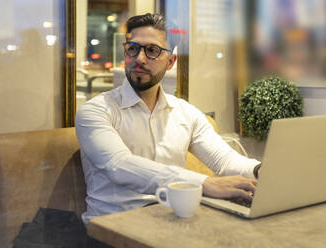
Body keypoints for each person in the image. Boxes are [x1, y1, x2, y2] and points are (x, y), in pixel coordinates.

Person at [75, 13, 261, 225]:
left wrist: (260, 171)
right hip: (112, 228)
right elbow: (119, 166)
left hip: (173, 221)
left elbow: (225, 160)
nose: (140, 58)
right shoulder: (95, 111)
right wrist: (204, 184)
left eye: (152, 51)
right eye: (133, 48)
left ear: (171, 61)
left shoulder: (185, 112)